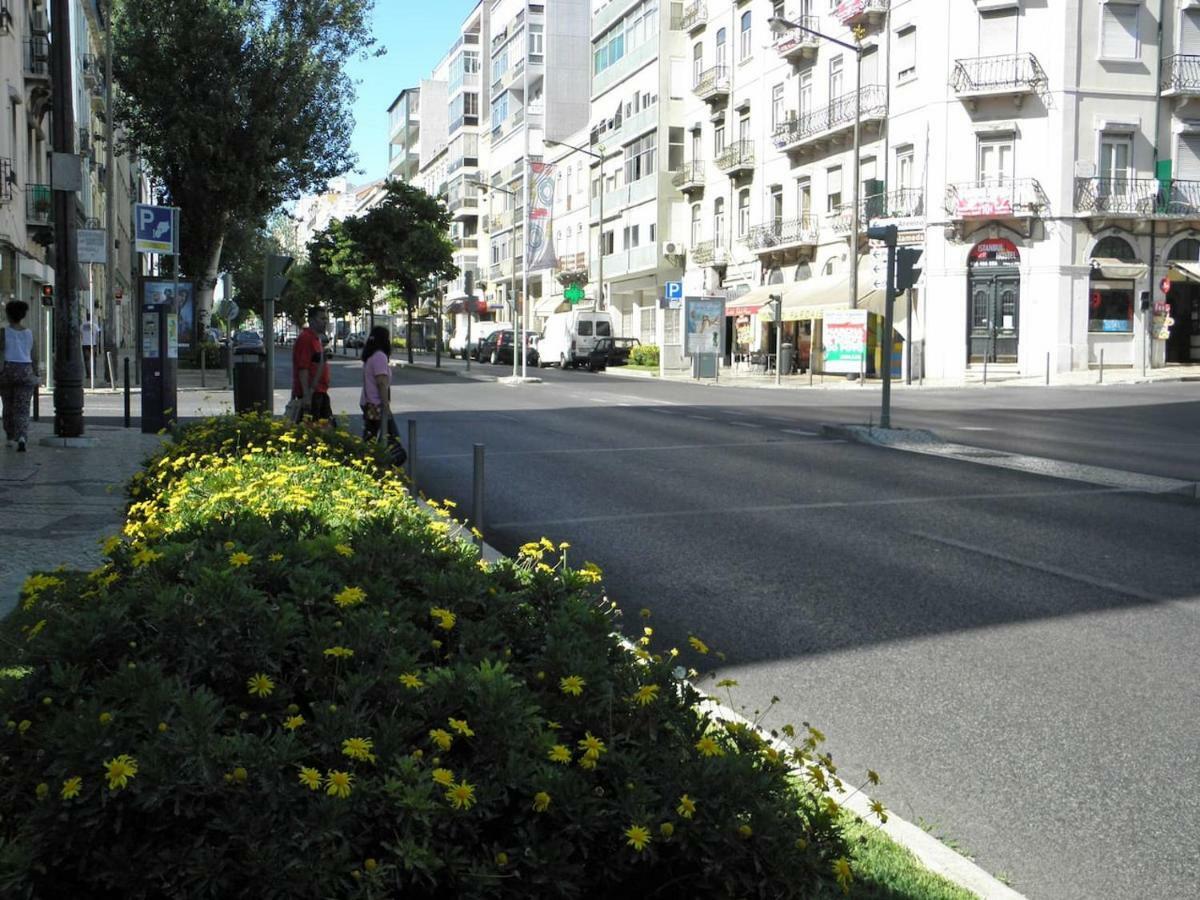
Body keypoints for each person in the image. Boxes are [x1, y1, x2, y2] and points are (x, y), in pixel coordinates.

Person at [0, 300, 39, 453]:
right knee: (23, 408)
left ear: (8, 315)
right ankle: (22, 437)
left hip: (7, 370)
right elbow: (34, 355)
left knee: (8, 405)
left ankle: (10, 437)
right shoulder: (29, 333)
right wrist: (35, 373)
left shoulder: (3, 333)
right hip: (25, 369)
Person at [292, 306, 333, 423]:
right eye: (322, 319)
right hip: (312, 394)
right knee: (313, 430)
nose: (325, 322)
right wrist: (306, 395)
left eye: (326, 319)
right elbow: (303, 368)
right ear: (311, 320)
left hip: (320, 392)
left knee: (324, 428)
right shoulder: (306, 339)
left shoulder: (316, 339)